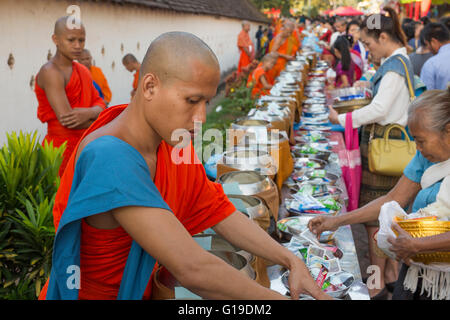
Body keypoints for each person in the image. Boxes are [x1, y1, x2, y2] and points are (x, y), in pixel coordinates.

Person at [37, 31, 332, 301]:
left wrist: (289, 259)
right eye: (191, 101)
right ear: (150, 86)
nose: (201, 117)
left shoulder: (174, 140)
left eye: (206, 101)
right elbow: (191, 267)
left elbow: (216, 207)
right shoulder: (109, 158)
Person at [309, 88, 450, 300]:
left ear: (448, 131)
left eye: (421, 140)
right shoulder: (426, 157)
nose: (417, 148)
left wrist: (419, 245)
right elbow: (393, 198)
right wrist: (337, 221)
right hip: (417, 273)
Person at [328, 7, 414, 299]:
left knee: (374, 221)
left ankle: (376, 284)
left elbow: (380, 110)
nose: (367, 49)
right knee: (387, 217)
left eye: (368, 43)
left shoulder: (394, 66)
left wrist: (341, 119)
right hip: (388, 153)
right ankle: (388, 275)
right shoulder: (398, 63)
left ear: (384, 36)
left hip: (383, 156)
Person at [35, 16, 105, 176]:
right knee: (62, 197)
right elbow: (69, 121)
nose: (77, 46)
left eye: (82, 40)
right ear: (56, 39)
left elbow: (101, 104)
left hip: (87, 144)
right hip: (60, 149)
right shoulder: (51, 72)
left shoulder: (83, 71)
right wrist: (100, 119)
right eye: (71, 40)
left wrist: (88, 113)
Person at [420, 22, 450, 90]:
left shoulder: (431, 64)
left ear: (433, 42)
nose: (428, 48)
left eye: (427, 44)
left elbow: (427, 97)